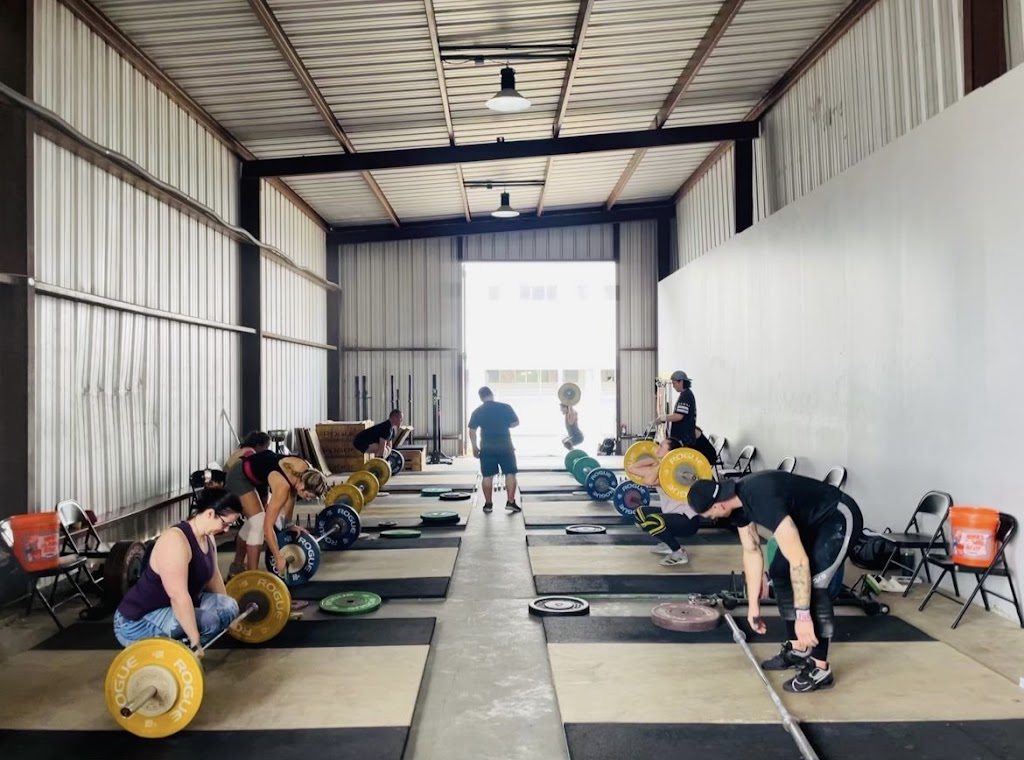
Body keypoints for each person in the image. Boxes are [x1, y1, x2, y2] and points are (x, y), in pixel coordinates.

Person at [687, 471, 865, 694]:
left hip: (836, 517)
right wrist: (753, 607)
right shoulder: (736, 504)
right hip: (807, 521)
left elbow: (799, 562)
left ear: (719, 505)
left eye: (709, 514)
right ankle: (799, 648)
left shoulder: (762, 500)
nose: (712, 519)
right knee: (780, 572)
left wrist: (803, 616)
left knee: (814, 586)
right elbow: (752, 551)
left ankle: (820, 669)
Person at [113, 490, 242, 653]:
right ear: (210, 514)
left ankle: (184, 640)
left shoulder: (207, 537)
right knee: (210, 623)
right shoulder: (175, 541)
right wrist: (195, 640)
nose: (226, 530)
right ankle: (180, 649)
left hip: (171, 608)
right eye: (225, 523)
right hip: (137, 621)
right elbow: (178, 596)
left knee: (229, 607)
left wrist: (230, 618)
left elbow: (214, 576)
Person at [223, 449, 328, 576]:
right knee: (259, 522)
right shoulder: (282, 487)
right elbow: (267, 527)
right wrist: (278, 557)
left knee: (253, 522)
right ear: (302, 486)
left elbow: (292, 496)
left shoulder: (306, 471)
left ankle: (236, 567)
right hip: (238, 476)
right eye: (308, 496)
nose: (308, 499)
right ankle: (252, 576)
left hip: (258, 477)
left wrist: (289, 524)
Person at [625, 437, 702, 566]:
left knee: (652, 521)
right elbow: (631, 468)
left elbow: (648, 480)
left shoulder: (676, 472)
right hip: (672, 513)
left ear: (670, 452)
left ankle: (678, 553)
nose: (657, 448)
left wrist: (663, 462)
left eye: (661, 446)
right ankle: (667, 543)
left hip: (687, 521)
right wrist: (654, 461)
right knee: (641, 513)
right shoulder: (660, 468)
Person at [467, 386, 521, 514]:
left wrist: (474, 447)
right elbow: (515, 423)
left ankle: (488, 504)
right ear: (492, 394)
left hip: (487, 447)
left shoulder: (478, 411)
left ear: (481, 398)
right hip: (505, 446)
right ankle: (510, 502)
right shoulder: (505, 407)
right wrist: (504, 424)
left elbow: (472, 430)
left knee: (487, 475)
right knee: (510, 473)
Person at [658, 371, 697, 446]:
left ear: (681, 382)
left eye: (674, 383)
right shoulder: (685, 395)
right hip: (683, 438)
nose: (673, 386)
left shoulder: (686, 396)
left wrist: (663, 418)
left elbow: (678, 416)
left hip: (684, 439)